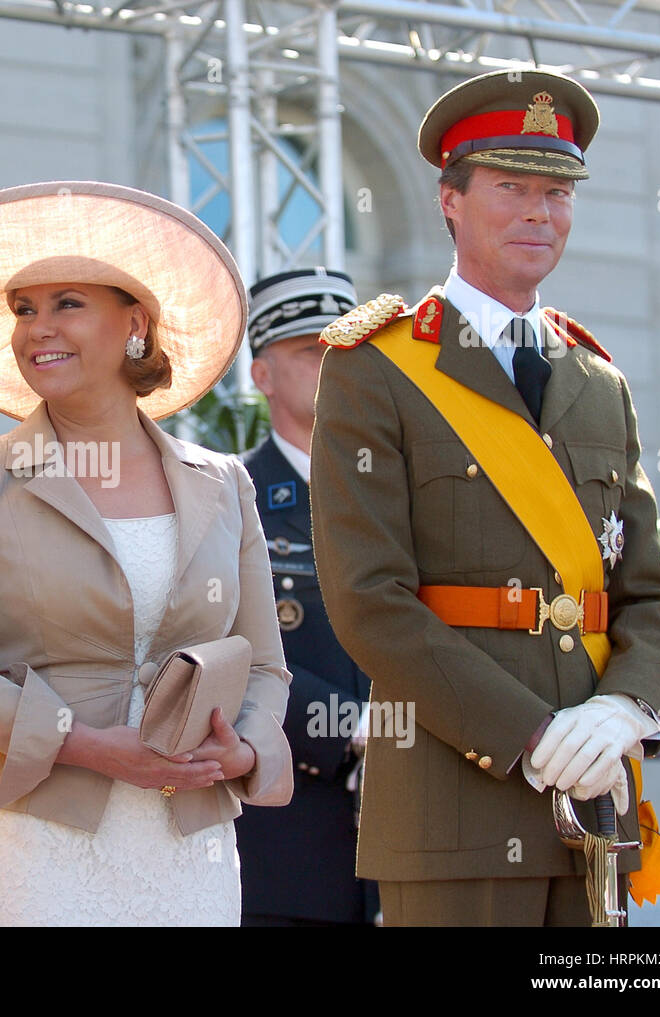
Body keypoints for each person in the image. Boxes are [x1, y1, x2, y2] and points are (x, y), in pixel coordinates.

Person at [310, 69, 660, 926]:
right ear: (450, 200)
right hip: (454, 807)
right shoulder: (376, 368)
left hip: (598, 801)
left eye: (557, 192)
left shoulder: (599, 380)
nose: (538, 213)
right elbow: (370, 601)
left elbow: (649, 593)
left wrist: (625, 708)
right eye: (511, 187)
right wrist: (532, 734)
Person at [0, 180, 293, 926]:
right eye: (24, 310)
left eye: (67, 303)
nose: (37, 328)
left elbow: (265, 665)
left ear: (135, 322)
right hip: (26, 843)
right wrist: (87, 745)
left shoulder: (223, 482)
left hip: (188, 848)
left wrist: (245, 750)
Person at [235, 267, 378, 926]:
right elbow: (222, 645)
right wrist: (351, 728)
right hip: (291, 844)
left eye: (345, 350)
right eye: (309, 351)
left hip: (411, 837)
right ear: (262, 375)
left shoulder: (404, 492)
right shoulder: (229, 495)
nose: (332, 365)